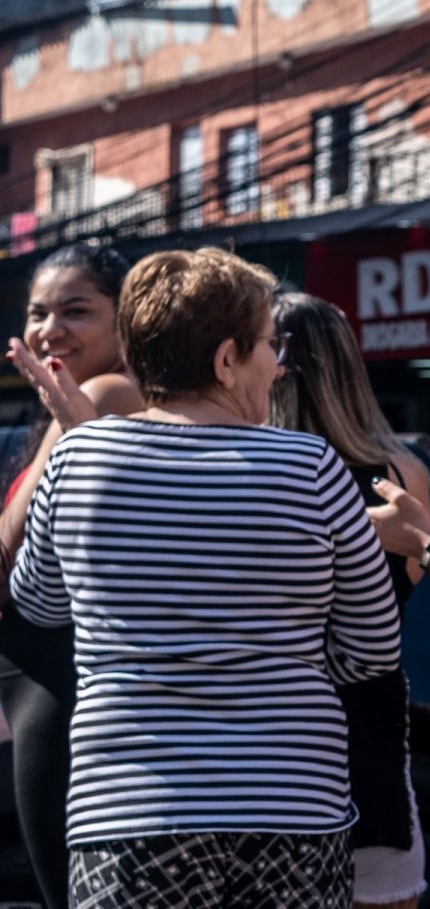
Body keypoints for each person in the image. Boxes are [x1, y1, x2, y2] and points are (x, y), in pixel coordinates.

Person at [6, 248, 402, 909]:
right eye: (269, 347)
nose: (278, 366)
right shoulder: (312, 467)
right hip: (294, 806)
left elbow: (37, 603)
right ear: (225, 360)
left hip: (129, 812)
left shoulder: (79, 457)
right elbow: (374, 651)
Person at [270, 291, 430, 909]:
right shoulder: (400, 472)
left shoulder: (252, 478)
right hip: (369, 728)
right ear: (347, 364)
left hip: (270, 730)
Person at [0, 243, 143, 909]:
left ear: (126, 319)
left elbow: (14, 540)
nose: (49, 329)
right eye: (38, 312)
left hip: (59, 683)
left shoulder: (103, 393)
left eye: (75, 310)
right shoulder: (70, 400)